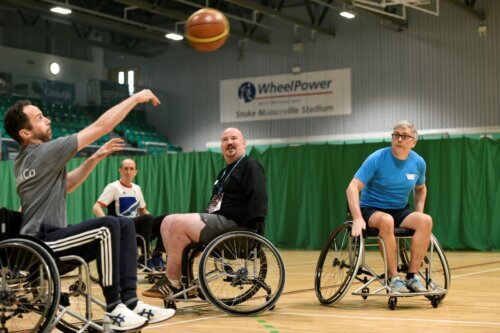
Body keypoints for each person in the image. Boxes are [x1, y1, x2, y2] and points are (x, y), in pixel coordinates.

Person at [3, 90, 175, 331]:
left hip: (44, 240)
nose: (48, 119)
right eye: (40, 117)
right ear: (25, 133)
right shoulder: (43, 153)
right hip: (41, 244)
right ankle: (114, 308)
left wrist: (94, 157)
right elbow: (103, 125)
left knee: (125, 224)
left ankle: (131, 302)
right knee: (108, 225)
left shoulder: (24, 160)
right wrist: (136, 98)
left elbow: (69, 185)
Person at [143, 127, 267, 297]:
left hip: (238, 228)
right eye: (225, 139)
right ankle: (185, 281)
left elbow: (259, 200)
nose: (229, 142)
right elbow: (214, 204)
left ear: (243, 144)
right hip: (219, 222)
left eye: (234, 138)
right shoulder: (224, 173)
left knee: (177, 223)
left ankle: (172, 281)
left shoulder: (250, 166)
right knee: (167, 221)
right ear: (221, 146)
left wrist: (254, 233)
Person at [346, 120, 432, 294]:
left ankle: (412, 276)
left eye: (404, 136)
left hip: (399, 209)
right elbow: (352, 187)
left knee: (425, 221)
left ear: (413, 142)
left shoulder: (418, 163)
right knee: (386, 220)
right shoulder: (377, 158)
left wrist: (419, 211)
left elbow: (421, 189)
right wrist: (357, 217)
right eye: (396, 135)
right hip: (371, 208)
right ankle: (394, 278)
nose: (399, 139)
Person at [93, 158, 166, 271]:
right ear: (120, 170)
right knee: (147, 219)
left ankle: (157, 255)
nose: (128, 172)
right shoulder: (113, 187)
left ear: (135, 172)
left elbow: (144, 211)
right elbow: (96, 207)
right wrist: (109, 226)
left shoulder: (137, 188)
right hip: (123, 227)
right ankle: (144, 257)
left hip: (137, 228)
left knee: (165, 220)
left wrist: (154, 222)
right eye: (125, 169)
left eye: (131, 169)